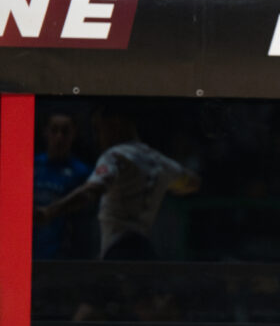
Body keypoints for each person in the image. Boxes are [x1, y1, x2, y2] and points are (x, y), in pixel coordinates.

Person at [36, 107, 201, 260]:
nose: (97, 138)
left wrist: (49, 212)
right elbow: (192, 183)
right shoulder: (160, 162)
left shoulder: (114, 157)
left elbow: (91, 191)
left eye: (98, 129)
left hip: (118, 251)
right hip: (145, 253)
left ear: (115, 124)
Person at [32, 113, 90, 258]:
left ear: (73, 135)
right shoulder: (31, 165)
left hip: (62, 254)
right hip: (29, 250)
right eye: (54, 130)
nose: (59, 137)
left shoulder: (81, 172)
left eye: (65, 131)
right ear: (46, 132)